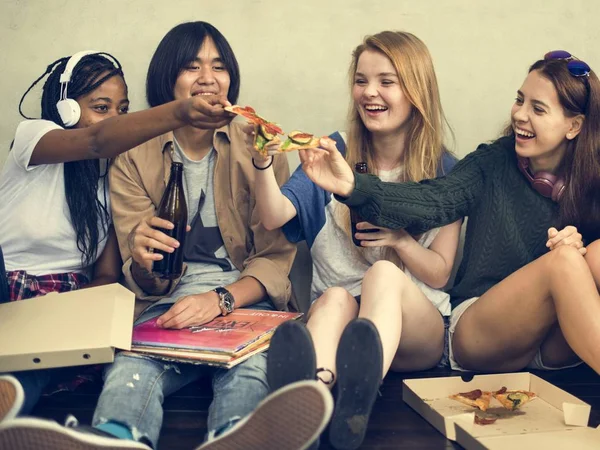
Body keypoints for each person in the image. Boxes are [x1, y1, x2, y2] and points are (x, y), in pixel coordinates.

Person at [0, 21, 332, 450]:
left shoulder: (256, 143)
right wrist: (143, 262)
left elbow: (274, 258)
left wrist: (220, 299)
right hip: (162, 307)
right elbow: (142, 277)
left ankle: (235, 437)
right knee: (130, 368)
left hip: (245, 302)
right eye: (192, 67)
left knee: (250, 370)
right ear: (167, 78)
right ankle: (115, 437)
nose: (208, 78)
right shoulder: (131, 156)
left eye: (218, 67)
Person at [296, 50, 600, 378]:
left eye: (537, 109)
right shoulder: (492, 163)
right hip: (482, 333)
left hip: (554, 341)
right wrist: (354, 186)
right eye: (519, 100)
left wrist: (580, 241)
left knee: (592, 255)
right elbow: (432, 200)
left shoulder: (591, 177)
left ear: (574, 126)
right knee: (564, 261)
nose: (520, 115)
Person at [247, 31, 461, 450]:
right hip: (343, 326)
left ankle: (359, 390)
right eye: (361, 80)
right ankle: (317, 395)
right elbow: (274, 216)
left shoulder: (444, 168)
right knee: (333, 300)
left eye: (386, 81)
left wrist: (400, 241)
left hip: (418, 334)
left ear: (416, 89)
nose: (370, 93)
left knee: (382, 273)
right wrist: (262, 160)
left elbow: (440, 274)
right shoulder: (335, 153)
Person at [0, 49, 231, 423]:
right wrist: (180, 111)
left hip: (63, 301)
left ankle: (13, 402)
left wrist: (77, 319)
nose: (115, 120)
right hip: (6, 288)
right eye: (101, 107)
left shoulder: (113, 177)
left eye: (122, 109)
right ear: (67, 111)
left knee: (39, 363)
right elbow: (97, 141)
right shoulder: (33, 136)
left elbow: (107, 275)